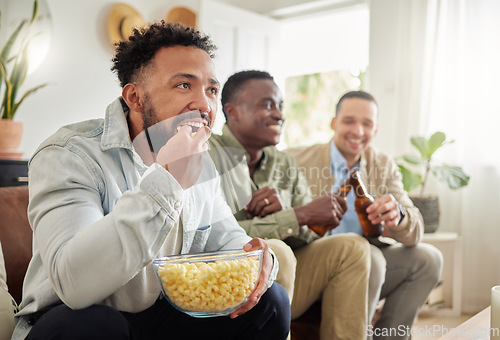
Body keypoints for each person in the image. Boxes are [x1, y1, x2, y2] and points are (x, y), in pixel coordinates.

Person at [11, 23, 290, 340]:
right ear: (135, 98)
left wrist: (255, 259)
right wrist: (169, 181)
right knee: (94, 326)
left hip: (163, 317)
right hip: (72, 318)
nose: (204, 105)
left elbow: (228, 243)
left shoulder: (202, 160)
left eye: (211, 90)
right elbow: (75, 286)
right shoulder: (69, 154)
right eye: (184, 85)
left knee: (271, 303)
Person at [209, 70, 371, 340]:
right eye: (267, 105)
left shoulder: (283, 162)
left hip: (286, 281)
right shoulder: (208, 154)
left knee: (352, 247)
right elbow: (216, 236)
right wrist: (296, 215)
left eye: (281, 106)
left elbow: (312, 234)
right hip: (225, 278)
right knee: (276, 252)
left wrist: (290, 216)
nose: (279, 114)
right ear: (232, 111)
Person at [286, 90, 443, 339]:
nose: (358, 131)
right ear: (334, 123)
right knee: (369, 256)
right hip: (315, 262)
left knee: (429, 258)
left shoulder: (383, 164)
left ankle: (389, 336)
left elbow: (416, 229)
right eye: (349, 121)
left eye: (367, 124)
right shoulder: (296, 160)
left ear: (375, 129)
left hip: (369, 263)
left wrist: (399, 217)